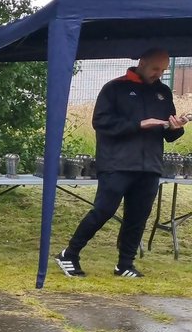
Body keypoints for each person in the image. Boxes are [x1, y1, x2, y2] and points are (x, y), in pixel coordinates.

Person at [55, 48, 185, 278]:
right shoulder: (114, 88)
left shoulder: (163, 92)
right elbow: (101, 122)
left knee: (138, 217)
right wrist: (138, 124)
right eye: (156, 68)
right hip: (117, 164)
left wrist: (176, 127)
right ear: (142, 63)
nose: (159, 74)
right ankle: (69, 254)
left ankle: (125, 264)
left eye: (163, 70)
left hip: (150, 166)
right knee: (103, 211)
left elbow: (169, 133)